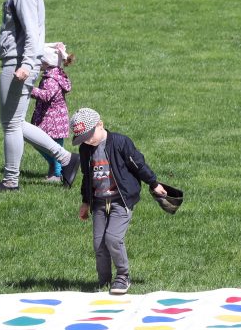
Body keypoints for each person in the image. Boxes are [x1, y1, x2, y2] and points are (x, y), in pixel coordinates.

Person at [0, 0, 80, 192]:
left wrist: (25, 65)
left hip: (18, 64)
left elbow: (31, 33)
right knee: (16, 123)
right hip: (19, 61)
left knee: (11, 124)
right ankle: (66, 159)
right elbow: (34, 33)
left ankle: (11, 181)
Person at [71, 107, 168, 295]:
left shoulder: (120, 142)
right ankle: (104, 281)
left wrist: (154, 183)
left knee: (113, 238)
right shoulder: (85, 150)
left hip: (121, 200)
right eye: (83, 138)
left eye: (90, 135)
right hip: (99, 201)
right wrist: (86, 202)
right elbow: (86, 176)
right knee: (99, 244)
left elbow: (139, 164)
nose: (88, 140)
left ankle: (123, 276)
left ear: (100, 125)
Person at [30, 42, 74, 183]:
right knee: (53, 145)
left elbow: (46, 96)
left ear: (46, 62)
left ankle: (57, 173)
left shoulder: (51, 79)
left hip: (52, 119)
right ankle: (55, 168)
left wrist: (29, 89)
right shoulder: (56, 74)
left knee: (44, 144)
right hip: (55, 117)